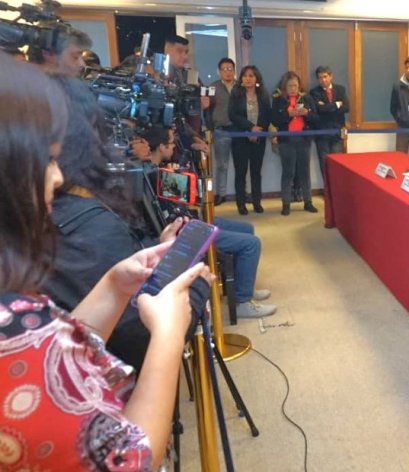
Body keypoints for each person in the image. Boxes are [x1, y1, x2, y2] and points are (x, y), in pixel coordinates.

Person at [0, 53, 210, 471]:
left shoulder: (22, 311)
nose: (57, 177)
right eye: (46, 160)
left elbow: (63, 354)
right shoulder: (18, 327)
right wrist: (169, 335)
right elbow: (132, 456)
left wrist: (114, 286)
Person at [139, 126, 278, 319]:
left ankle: (241, 287)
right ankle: (242, 302)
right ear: (161, 147)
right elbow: (188, 201)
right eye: (171, 143)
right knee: (251, 244)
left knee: (247, 228)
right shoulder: (155, 176)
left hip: (192, 220)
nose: (174, 146)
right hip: (186, 231)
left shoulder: (160, 169)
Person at [271, 71, 318, 216]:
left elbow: (316, 118)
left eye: (295, 86)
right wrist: (288, 114)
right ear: (284, 87)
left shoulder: (307, 99)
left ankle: (308, 201)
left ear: (299, 86)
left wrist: (307, 113)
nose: (293, 89)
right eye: (290, 86)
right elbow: (275, 120)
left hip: (304, 139)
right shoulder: (279, 100)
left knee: (305, 171)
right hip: (286, 140)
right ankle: (286, 203)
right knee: (288, 172)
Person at [229, 65, 271, 215]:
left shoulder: (263, 94)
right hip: (241, 138)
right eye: (245, 76)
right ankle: (241, 204)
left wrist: (258, 130)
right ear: (241, 78)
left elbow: (267, 115)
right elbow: (233, 115)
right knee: (240, 173)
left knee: (256, 172)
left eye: (251, 76)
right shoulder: (236, 93)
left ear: (257, 78)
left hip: (258, 139)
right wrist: (250, 128)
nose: (248, 79)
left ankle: (257, 202)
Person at [205, 57, 237, 206]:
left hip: (239, 130)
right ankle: (221, 194)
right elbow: (207, 110)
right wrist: (210, 128)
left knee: (241, 165)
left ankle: (242, 193)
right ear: (219, 72)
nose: (227, 72)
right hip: (220, 130)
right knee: (222, 165)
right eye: (224, 69)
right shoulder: (213, 87)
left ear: (234, 70)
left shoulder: (240, 86)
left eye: (230, 69)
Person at [309, 65, 350, 176]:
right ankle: (327, 186)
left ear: (331, 76)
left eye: (325, 77)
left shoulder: (340, 90)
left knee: (338, 163)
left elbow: (347, 108)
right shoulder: (314, 92)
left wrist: (326, 107)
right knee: (324, 164)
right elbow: (319, 110)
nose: (323, 80)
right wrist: (336, 105)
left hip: (337, 132)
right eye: (320, 78)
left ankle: (337, 186)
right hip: (322, 133)